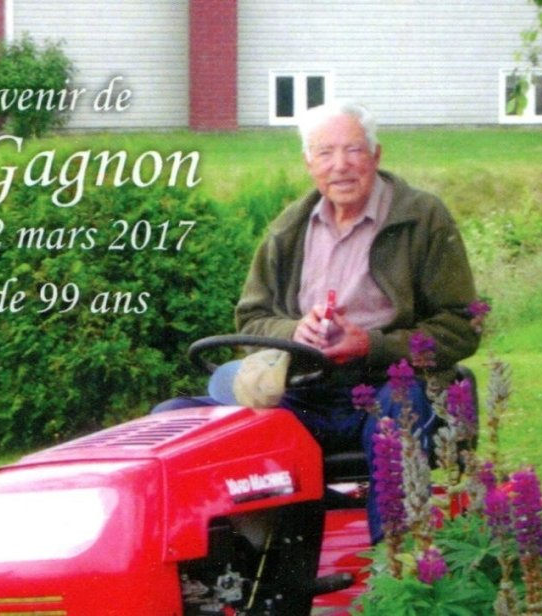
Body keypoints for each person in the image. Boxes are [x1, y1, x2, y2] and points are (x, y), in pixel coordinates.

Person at [156, 101, 479, 543]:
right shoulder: (288, 228)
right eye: (325, 152)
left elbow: (462, 326)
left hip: (389, 387)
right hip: (302, 394)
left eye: (353, 150)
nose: (340, 165)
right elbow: (251, 319)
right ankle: (233, 574)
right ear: (309, 163)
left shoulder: (421, 218)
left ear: (376, 155)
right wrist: (294, 332)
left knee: (396, 416)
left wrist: (371, 344)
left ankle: (397, 567)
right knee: (172, 420)